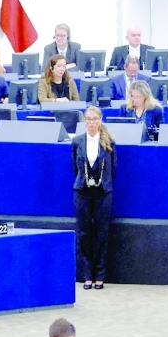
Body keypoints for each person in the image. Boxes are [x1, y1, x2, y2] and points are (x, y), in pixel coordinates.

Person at [72, 106, 116, 290]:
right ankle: (87, 274)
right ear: (84, 121)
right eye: (88, 119)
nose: (91, 123)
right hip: (82, 191)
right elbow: (75, 167)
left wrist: (102, 183)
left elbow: (113, 169)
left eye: (95, 119)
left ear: (100, 120)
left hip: (102, 193)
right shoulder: (77, 141)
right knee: (84, 233)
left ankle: (100, 275)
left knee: (101, 233)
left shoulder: (109, 142)